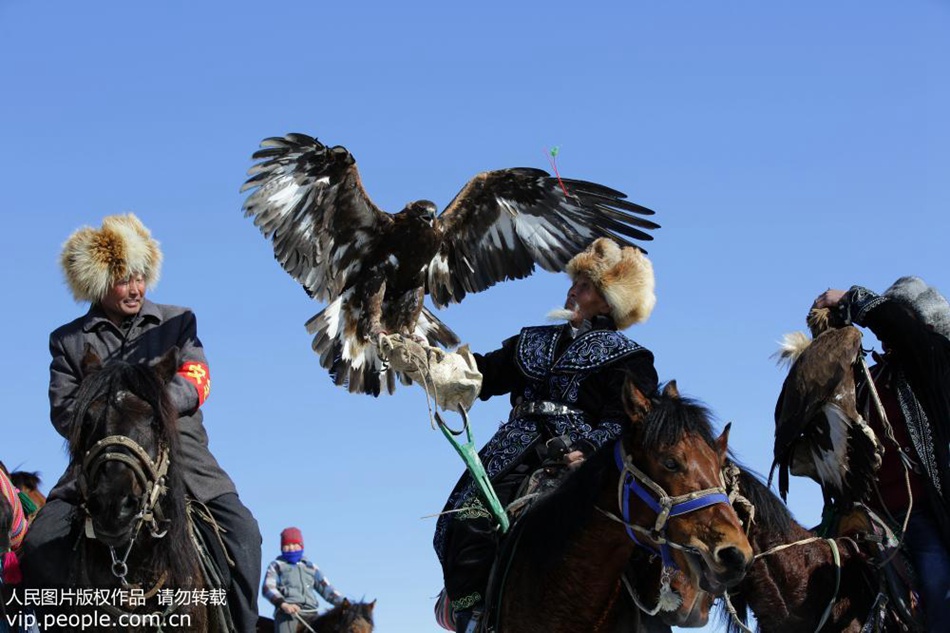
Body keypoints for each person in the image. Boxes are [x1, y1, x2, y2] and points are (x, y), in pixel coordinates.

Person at [387, 237, 660, 632]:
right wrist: (427, 362)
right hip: (513, 450)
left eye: (585, 284)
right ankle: (474, 615)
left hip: (586, 462)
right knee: (465, 520)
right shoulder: (535, 341)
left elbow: (626, 419)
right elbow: (483, 374)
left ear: (609, 298)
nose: (573, 289)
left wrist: (588, 450)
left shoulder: (630, 357)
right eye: (574, 281)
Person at [19, 213, 262, 632]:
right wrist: (110, 413)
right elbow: (63, 410)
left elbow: (198, 379)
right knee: (39, 546)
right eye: (123, 279)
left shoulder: (177, 320)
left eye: (140, 277)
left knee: (246, 537)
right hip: (100, 458)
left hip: (182, 451)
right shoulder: (69, 340)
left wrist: (151, 405)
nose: (135, 288)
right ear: (97, 282)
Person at [814, 277, 950, 630]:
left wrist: (853, 298)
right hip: (860, 514)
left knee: (939, 585)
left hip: (919, 515)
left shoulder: (937, 362)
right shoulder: (869, 378)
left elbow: (906, 334)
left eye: (901, 318)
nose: (888, 332)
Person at [261, 527, 345, 632]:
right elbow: (268, 587)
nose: (291, 548)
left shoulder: (311, 567)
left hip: (311, 614)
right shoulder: (277, 565)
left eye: (294, 544)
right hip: (288, 615)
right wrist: (283, 604)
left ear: (301, 545)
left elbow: (327, 589)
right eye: (287, 545)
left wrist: (346, 604)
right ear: (281, 547)